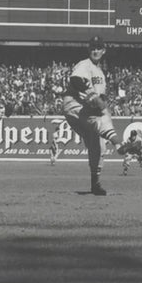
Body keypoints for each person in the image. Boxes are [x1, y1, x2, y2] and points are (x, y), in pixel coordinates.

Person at [61, 35, 120, 195]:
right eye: (92, 48)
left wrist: (99, 101)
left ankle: (95, 184)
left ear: (103, 50)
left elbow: (101, 98)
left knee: (99, 146)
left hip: (85, 109)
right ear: (89, 50)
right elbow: (75, 80)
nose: (95, 51)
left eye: (98, 48)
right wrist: (91, 95)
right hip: (74, 104)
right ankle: (118, 143)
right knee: (100, 121)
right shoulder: (84, 64)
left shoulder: (100, 73)